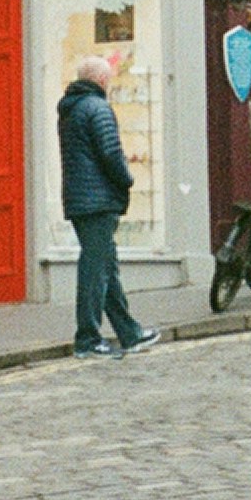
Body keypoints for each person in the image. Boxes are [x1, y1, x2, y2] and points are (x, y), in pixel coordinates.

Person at [57, 56, 158, 358]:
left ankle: (129, 332)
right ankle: (87, 338)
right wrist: (127, 179)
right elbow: (111, 153)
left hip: (80, 198)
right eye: (109, 79)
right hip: (97, 200)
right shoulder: (97, 107)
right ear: (101, 80)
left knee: (106, 267)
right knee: (95, 270)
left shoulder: (70, 108)